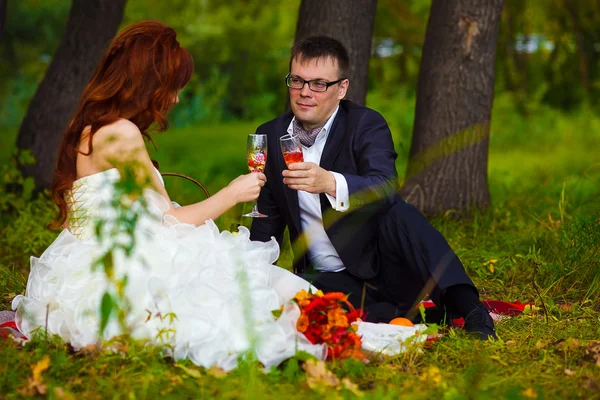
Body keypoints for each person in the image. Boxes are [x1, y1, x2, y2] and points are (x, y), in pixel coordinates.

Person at [11, 21, 329, 371]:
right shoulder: (122, 133)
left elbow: (81, 219)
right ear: (148, 82)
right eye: (173, 86)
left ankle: (333, 320)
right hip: (123, 265)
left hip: (82, 263)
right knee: (251, 285)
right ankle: (341, 324)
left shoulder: (90, 127)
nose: (176, 98)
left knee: (258, 281)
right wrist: (232, 193)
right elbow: (169, 220)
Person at [249, 36, 497, 340]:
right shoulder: (270, 135)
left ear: (341, 88)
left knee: (401, 215)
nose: (304, 93)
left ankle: (470, 309)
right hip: (324, 279)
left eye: (318, 84)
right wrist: (252, 277)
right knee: (315, 310)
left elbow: (385, 186)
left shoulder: (365, 124)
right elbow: (267, 217)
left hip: (385, 269)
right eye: (297, 80)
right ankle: (415, 316)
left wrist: (330, 182)